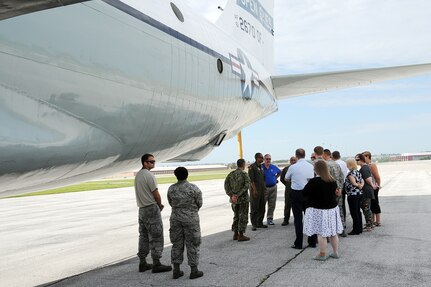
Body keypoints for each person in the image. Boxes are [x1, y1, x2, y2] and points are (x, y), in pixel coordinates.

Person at [134, 154, 172, 273]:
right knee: (156, 236)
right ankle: (156, 263)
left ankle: (143, 262)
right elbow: (156, 193)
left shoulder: (138, 175)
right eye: (151, 162)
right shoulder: (149, 175)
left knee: (144, 235)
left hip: (142, 209)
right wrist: (159, 205)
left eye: (154, 161)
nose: (153, 164)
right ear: (145, 163)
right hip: (151, 208)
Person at [167, 167, 203, 279]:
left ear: (176, 175)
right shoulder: (194, 188)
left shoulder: (171, 189)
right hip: (190, 219)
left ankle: (176, 270)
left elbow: (170, 202)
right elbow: (199, 203)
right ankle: (194, 270)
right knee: (193, 243)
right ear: (187, 175)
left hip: (175, 219)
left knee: (177, 244)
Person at [303, 160, 343, 260]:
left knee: (321, 233)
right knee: (333, 233)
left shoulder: (313, 181)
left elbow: (304, 193)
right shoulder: (332, 181)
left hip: (319, 210)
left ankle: (322, 254)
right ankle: (335, 252)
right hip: (332, 209)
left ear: (316, 169)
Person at [285, 148, 316, 249]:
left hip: (296, 193)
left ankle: (298, 243)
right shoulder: (311, 166)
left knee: (298, 219)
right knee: (310, 217)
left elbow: (286, 178)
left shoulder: (293, 167)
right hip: (309, 194)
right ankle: (312, 241)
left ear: (296, 155)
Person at [321, 148, 346, 237]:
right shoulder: (336, 164)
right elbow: (342, 177)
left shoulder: (326, 165)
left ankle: (329, 232)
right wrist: (340, 188)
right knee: (340, 209)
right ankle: (342, 229)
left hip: (331, 191)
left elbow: (326, 179)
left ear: (324, 155)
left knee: (328, 211)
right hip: (339, 190)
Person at [224, 159, 251, 241]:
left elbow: (226, 186)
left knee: (236, 216)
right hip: (243, 200)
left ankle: (235, 234)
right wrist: (238, 195)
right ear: (243, 165)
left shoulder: (231, 174)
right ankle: (241, 235)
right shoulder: (244, 174)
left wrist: (232, 195)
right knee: (243, 216)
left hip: (234, 200)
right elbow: (246, 186)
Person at [356, 154, 378, 231]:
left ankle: (369, 225)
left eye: (357, 160)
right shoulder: (364, 167)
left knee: (366, 208)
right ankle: (370, 223)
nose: (356, 161)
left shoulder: (364, 168)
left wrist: (372, 185)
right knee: (366, 207)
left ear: (362, 159)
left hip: (366, 191)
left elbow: (368, 178)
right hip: (366, 190)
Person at [344, 158, 364, 235]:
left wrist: (358, 185)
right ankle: (360, 228)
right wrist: (361, 185)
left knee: (354, 212)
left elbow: (353, 183)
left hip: (353, 195)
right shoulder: (358, 172)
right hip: (359, 194)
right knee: (358, 211)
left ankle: (356, 230)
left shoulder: (350, 174)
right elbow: (362, 180)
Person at [249, 153, 267, 231]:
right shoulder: (252, 167)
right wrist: (254, 190)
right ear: (257, 158)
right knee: (254, 207)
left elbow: (263, 178)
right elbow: (251, 180)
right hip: (255, 191)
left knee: (262, 207)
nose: (262, 159)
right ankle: (254, 224)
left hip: (262, 190)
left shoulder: (261, 167)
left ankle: (260, 223)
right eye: (261, 157)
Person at [363, 151, 382, 226]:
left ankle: (378, 221)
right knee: (371, 204)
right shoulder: (365, 165)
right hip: (369, 188)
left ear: (368, 156)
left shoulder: (372, 165)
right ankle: (373, 220)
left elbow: (377, 177)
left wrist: (378, 186)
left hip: (374, 187)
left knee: (375, 203)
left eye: (363, 156)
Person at [262, 154, 281, 225]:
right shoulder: (261, 167)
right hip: (264, 189)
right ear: (264, 159)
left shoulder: (273, 167)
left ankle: (270, 219)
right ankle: (260, 219)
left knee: (272, 204)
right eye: (267, 159)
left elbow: (279, 172)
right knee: (262, 204)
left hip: (273, 188)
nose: (268, 160)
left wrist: (275, 178)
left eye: (269, 159)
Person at [280, 156, 298, 226]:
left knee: (297, 205)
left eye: (294, 160)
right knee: (287, 205)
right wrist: (287, 185)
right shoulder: (286, 169)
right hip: (288, 190)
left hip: (297, 189)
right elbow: (282, 179)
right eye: (292, 160)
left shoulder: (298, 168)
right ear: (290, 161)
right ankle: (286, 220)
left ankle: (297, 220)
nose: (293, 161)